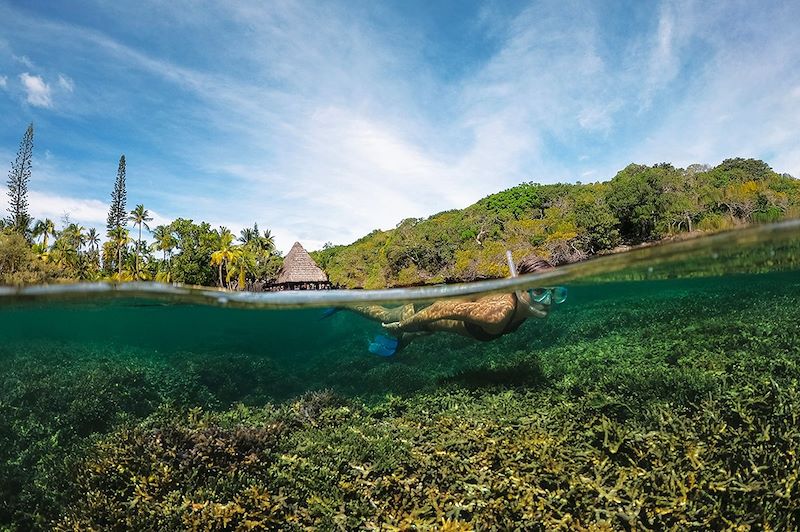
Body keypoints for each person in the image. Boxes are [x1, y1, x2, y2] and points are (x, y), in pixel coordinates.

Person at [350, 255, 565, 354]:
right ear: (521, 290)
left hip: (444, 315)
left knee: (417, 333)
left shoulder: (523, 299)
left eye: (555, 293)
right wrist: (402, 327)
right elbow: (438, 310)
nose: (548, 302)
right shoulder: (496, 314)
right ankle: (349, 304)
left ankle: (409, 336)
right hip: (430, 309)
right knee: (387, 316)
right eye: (538, 292)